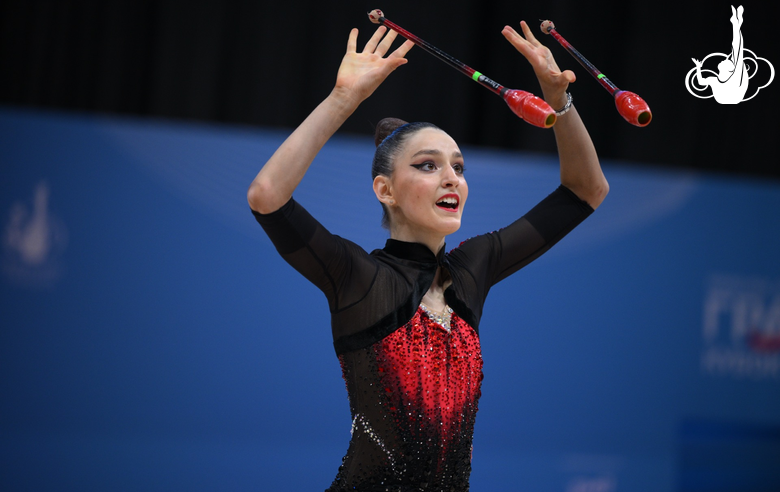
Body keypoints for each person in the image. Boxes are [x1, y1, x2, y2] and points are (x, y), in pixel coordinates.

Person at [247, 20, 608, 492]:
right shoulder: (360, 278)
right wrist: (343, 100)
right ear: (386, 190)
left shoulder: (471, 271)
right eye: (427, 165)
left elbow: (585, 191)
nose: (451, 178)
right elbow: (267, 195)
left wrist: (557, 100)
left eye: (458, 166)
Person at [692, 5, 748, 104]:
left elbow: (737, 49)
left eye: (727, 61)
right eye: (728, 60)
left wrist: (736, 25)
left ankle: (736, 24)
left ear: (729, 69)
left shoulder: (734, 78)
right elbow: (700, 82)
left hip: (733, 95)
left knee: (737, 51)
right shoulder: (714, 80)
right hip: (728, 97)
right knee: (736, 52)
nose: (725, 59)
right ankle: (736, 24)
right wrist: (698, 67)